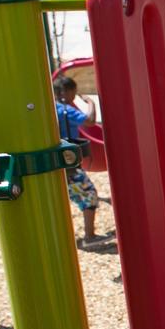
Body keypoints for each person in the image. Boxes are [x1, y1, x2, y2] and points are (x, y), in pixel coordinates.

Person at [52, 75, 102, 239]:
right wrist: (90, 103)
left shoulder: (53, 110)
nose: (74, 97)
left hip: (55, 164)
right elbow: (90, 121)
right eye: (73, 93)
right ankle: (90, 236)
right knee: (89, 195)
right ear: (65, 92)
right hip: (69, 165)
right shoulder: (66, 110)